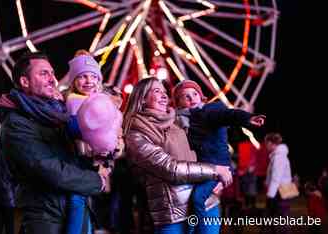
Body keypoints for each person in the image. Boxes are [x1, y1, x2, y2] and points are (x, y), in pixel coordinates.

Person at [0, 52, 107, 234]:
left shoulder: (58, 114)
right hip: (47, 217)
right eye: (44, 73)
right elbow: (48, 168)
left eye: (53, 73)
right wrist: (96, 181)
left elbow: (77, 155)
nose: (52, 79)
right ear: (25, 82)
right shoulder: (16, 123)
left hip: (75, 207)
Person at [123, 77, 233, 234]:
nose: (164, 95)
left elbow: (210, 148)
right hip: (174, 213)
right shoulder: (136, 135)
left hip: (206, 203)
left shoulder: (180, 122)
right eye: (156, 91)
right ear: (142, 99)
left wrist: (222, 175)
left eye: (164, 92)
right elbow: (171, 168)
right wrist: (216, 170)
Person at [172, 80, 265, 234]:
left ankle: (196, 228)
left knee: (197, 198)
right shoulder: (178, 121)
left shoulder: (210, 111)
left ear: (201, 97)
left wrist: (247, 118)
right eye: (185, 96)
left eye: (195, 94)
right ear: (178, 102)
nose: (191, 98)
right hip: (197, 170)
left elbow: (228, 114)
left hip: (215, 167)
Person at [65, 54, 122, 234]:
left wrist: (115, 146)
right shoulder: (72, 103)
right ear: (73, 81)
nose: (89, 80)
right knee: (78, 201)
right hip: (80, 164)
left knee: (94, 205)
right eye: (82, 76)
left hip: (101, 164)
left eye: (93, 76)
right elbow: (74, 130)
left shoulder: (104, 102)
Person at [264, 132, 292, 234]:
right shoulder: (277, 155)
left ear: (271, 143)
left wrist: (270, 195)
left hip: (281, 191)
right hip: (282, 190)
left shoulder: (279, 156)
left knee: (281, 220)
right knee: (280, 219)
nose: (265, 146)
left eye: (266, 143)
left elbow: (276, 177)